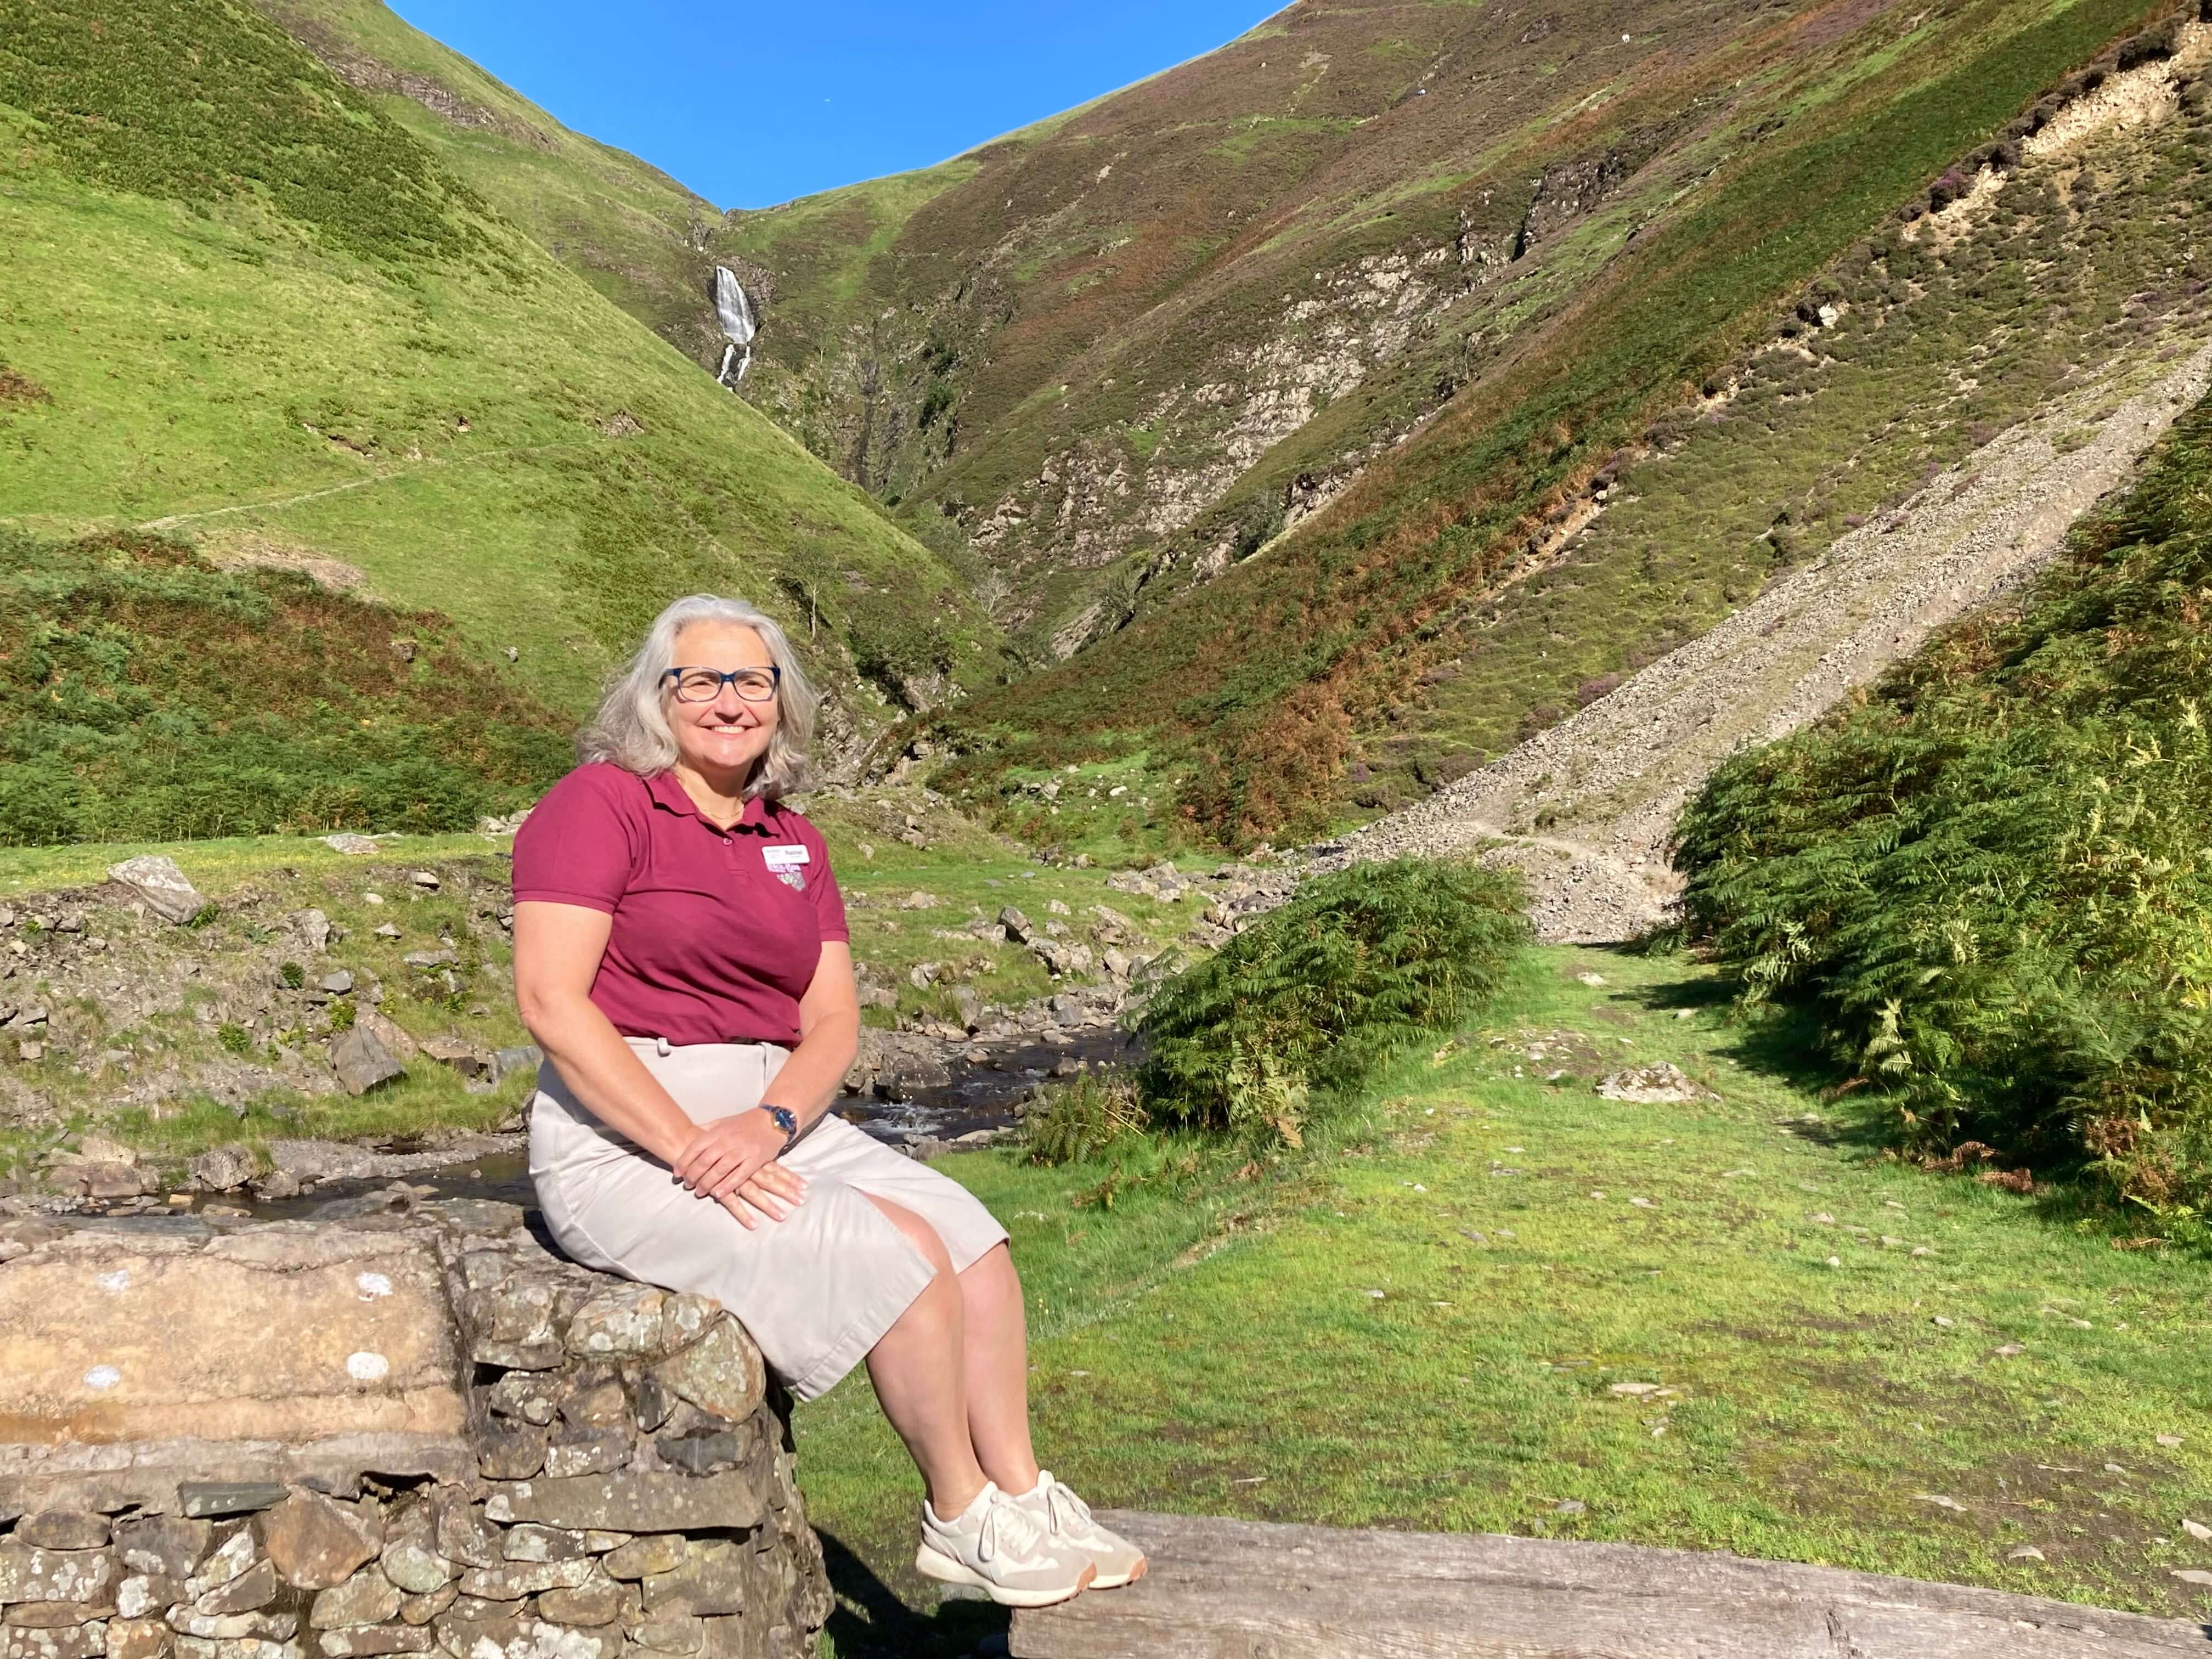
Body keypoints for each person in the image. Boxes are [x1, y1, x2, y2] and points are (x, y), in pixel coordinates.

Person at [510, 594, 1142, 1609]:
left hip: (772, 1114)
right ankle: (959, 1513)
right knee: (893, 1251)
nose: (729, 701)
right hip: (626, 1132)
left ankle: (1022, 1493)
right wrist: (684, 1140)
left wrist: (770, 1125)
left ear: (783, 702)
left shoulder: (789, 834)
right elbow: (551, 1001)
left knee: (974, 1240)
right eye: (701, 680)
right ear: (655, 696)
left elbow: (833, 1022)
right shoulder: (599, 804)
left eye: (752, 680)